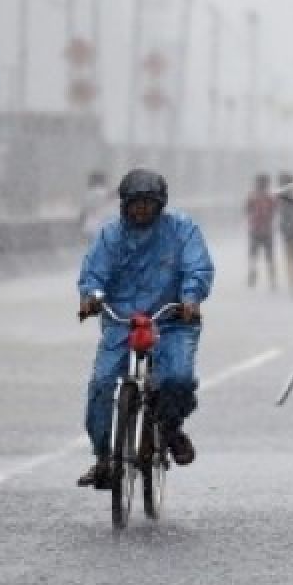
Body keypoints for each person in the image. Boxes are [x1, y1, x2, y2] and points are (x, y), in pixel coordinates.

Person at [75, 168, 214, 488]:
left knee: (177, 379)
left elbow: (198, 267)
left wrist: (190, 297)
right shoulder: (111, 236)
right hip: (122, 322)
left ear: (160, 204)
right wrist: (91, 298)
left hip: (173, 320)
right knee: (102, 384)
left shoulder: (182, 231)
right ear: (123, 204)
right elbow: (94, 273)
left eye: (148, 203)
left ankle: (170, 428)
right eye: (135, 203)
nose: (141, 209)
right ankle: (104, 457)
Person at [244, 173, 277, 290]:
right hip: (267, 230)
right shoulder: (270, 196)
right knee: (270, 257)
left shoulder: (252, 196)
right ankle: (272, 279)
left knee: (253, 254)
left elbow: (246, 210)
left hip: (255, 229)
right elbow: (274, 211)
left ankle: (253, 272)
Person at [77, 170, 114, 243]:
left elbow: (85, 210)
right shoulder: (106, 193)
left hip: (91, 226)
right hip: (103, 226)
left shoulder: (89, 194)